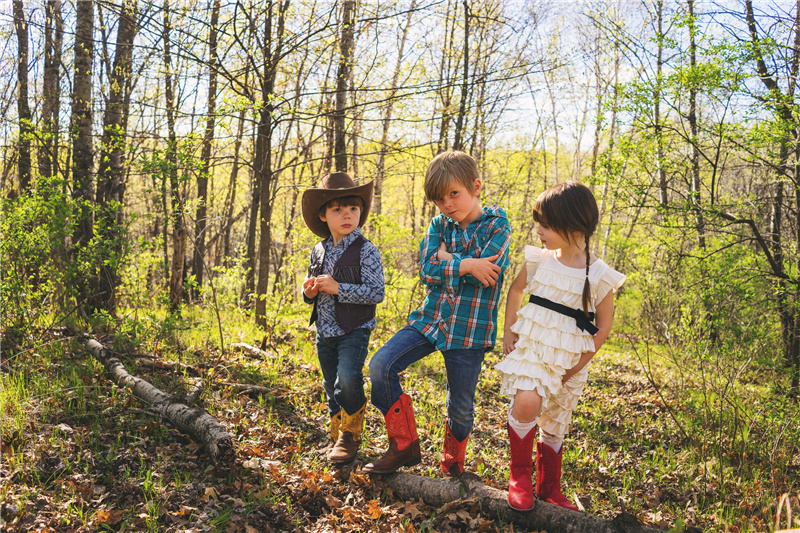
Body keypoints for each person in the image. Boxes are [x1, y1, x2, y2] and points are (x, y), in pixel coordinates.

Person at [363, 151, 511, 476]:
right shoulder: (438, 224)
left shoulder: (497, 225)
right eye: (439, 199)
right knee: (380, 365)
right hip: (430, 321)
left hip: (469, 332)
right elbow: (427, 270)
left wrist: (449, 259)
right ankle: (403, 445)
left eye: (454, 194)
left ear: (476, 186)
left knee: (459, 407)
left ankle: (452, 465)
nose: (447, 204)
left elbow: (488, 273)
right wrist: (467, 263)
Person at [495, 181, 626, 511]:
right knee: (526, 400)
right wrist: (509, 332)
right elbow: (515, 291)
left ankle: (549, 487)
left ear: (573, 225)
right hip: (534, 349)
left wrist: (579, 364)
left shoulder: (599, 274)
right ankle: (519, 476)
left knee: (554, 423)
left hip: (570, 359)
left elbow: (604, 325)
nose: (538, 230)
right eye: (537, 221)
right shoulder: (540, 259)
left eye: (545, 223)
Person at [301, 173, 385, 464]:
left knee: (347, 380)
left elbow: (376, 292)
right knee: (329, 383)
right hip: (324, 330)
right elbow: (310, 284)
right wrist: (309, 291)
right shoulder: (319, 249)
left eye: (353, 208)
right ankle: (336, 432)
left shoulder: (366, 250)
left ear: (361, 212)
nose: (346, 215)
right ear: (323, 215)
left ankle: (350, 434)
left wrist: (339, 289)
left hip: (354, 329)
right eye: (337, 209)